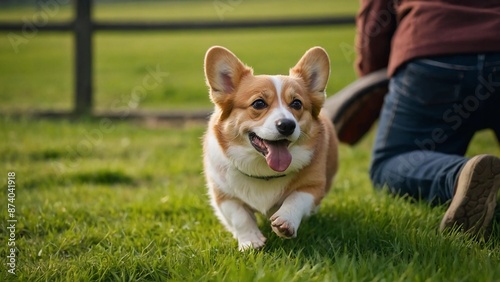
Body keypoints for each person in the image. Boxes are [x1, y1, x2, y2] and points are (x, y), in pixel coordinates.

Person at [355, 0, 500, 237]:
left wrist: (372, 84)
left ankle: (459, 174)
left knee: (391, 161)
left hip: (432, 54)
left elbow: (374, 23)